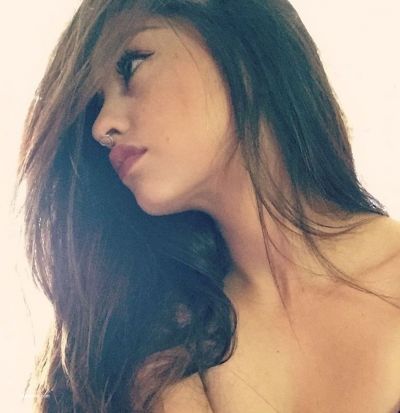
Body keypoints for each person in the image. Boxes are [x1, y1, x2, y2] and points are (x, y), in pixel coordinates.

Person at [15, 0, 400, 412]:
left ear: (244, 44)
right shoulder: (138, 347)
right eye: (96, 102)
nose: (101, 127)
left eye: (131, 66)